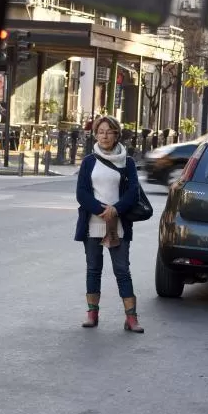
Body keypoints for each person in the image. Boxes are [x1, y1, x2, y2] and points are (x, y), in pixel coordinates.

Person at [75, 115, 143, 333]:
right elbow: (82, 193)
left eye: (109, 131)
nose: (104, 136)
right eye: (100, 131)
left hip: (119, 223)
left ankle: (131, 318)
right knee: (93, 269)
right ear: (96, 134)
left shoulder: (128, 162)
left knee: (122, 270)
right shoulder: (89, 162)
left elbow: (133, 192)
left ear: (116, 135)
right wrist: (100, 210)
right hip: (93, 223)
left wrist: (116, 209)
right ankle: (92, 314)